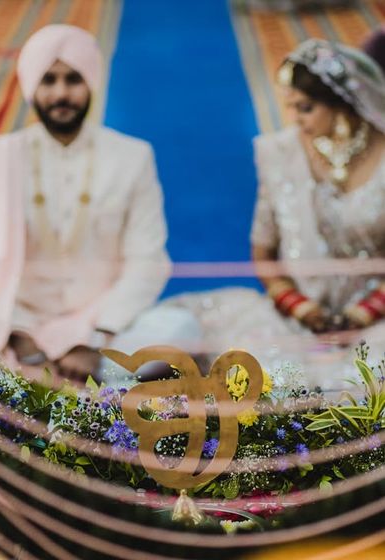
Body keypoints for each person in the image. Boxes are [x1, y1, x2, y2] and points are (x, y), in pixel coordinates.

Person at [0, 24, 199, 380]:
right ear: (31, 85)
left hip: (102, 324)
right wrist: (18, 334)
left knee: (181, 330)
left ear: (91, 81)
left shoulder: (132, 156)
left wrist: (94, 340)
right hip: (14, 323)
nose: (61, 94)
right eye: (48, 80)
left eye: (73, 79)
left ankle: (29, 384)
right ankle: (85, 387)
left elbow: (147, 261)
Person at [164, 39, 385, 386]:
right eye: (290, 107)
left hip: (376, 317)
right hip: (298, 316)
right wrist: (302, 308)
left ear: (342, 103)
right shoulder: (280, 153)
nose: (295, 119)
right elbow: (263, 251)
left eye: (306, 108)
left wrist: (363, 313)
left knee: (364, 384)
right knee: (274, 380)